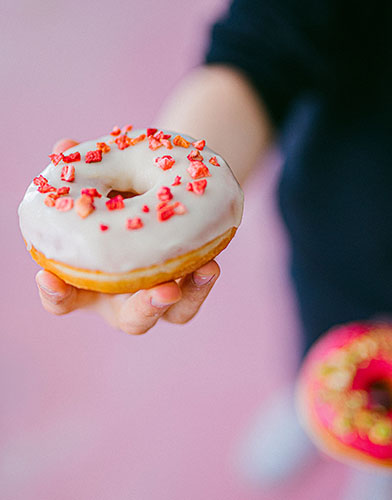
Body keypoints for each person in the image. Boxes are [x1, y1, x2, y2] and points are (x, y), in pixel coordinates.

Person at [35, 0, 392, 497]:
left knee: (381, 439)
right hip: (336, 239)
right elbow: (265, 44)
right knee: (317, 336)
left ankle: (376, 459)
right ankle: (308, 398)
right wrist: (169, 217)